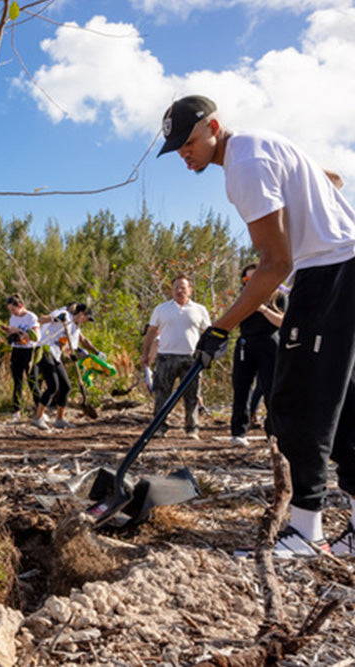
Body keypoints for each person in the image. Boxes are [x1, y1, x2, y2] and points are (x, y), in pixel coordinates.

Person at [158, 94, 355, 557]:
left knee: (297, 397)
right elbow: (333, 177)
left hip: (329, 272)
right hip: (342, 267)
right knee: (344, 398)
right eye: (176, 148)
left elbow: (273, 263)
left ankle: (307, 532)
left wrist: (220, 328)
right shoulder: (262, 145)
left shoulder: (243, 163)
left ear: (213, 127)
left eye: (188, 142)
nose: (184, 153)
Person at [140, 275, 210, 439]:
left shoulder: (200, 310)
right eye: (176, 287)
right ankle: (159, 427)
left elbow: (208, 333)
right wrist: (145, 354)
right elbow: (151, 332)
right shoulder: (161, 309)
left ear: (190, 290)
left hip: (192, 358)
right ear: (171, 290)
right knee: (162, 394)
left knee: (192, 395)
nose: (179, 291)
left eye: (183, 287)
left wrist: (207, 355)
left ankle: (192, 429)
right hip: (166, 357)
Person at [229, 264, 284, 446]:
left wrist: (262, 308)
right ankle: (239, 432)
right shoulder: (242, 299)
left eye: (255, 277)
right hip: (246, 343)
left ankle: (274, 433)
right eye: (247, 279)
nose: (251, 282)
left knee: (271, 388)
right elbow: (233, 321)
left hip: (269, 343)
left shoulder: (279, 297)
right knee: (241, 388)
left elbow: (282, 322)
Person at [31, 302, 98, 431]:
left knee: (66, 387)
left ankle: (59, 420)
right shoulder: (64, 315)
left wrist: (76, 353)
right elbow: (40, 319)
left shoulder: (74, 327)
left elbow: (67, 347)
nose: (86, 322)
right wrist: (55, 319)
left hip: (55, 355)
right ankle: (37, 418)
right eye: (86, 318)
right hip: (44, 350)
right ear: (81, 314)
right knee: (53, 386)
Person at [2, 294, 40, 420]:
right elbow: (15, 332)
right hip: (17, 349)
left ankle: (40, 409)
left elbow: (35, 336)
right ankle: (17, 410)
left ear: (20, 306)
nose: (12, 313)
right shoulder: (13, 318)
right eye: (10, 310)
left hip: (29, 350)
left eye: (13, 309)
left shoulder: (31, 317)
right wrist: (9, 331)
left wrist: (18, 331)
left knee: (32, 380)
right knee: (17, 381)